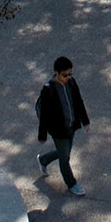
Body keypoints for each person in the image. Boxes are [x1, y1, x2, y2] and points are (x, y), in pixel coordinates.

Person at [35, 56, 91, 196]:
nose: (68, 77)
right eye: (65, 75)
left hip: (71, 126)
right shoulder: (49, 90)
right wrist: (42, 135)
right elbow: (44, 115)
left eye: (70, 74)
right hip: (58, 130)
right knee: (65, 158)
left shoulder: (71, 83)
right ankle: (72, 184)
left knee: (63, 152)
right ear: (56, 73)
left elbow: (78, 101)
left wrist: (85, 121)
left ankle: (43, 159)